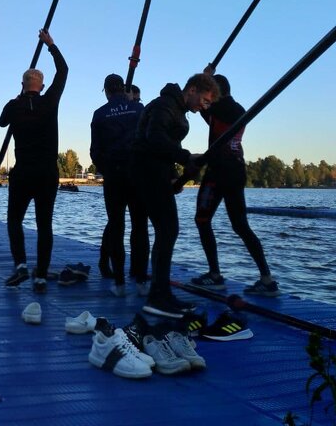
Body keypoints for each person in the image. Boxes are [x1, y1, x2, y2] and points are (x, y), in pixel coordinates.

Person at [133, 73, 220, 318]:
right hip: (146, 173)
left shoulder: (176, 109)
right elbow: (155, 138)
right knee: (168, 230)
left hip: (157, 173)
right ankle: (157, 296)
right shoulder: (164, 105)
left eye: (208, 104)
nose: (204, 106)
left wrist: (173, 175)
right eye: (204, 100)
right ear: (191, 89)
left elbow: (164, 148)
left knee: (167, 231)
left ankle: (161, 293)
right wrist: (185, 158)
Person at [190, 71, 280, 296]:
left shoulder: (219, 108)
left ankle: (215, 275)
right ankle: (267, 279)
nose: (205, 100)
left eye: (208, 95)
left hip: (218, 173)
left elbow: (199, 104)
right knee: (241, 226)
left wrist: (203, 79)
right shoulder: (237, 109)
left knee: (202, 220)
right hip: (237, 172)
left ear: (215, 94)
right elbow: (204, 108)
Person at [0, 29, 68, 293]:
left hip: (23, 173)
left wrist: (17, 97)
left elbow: (2, 122)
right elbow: (63, 71)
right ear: (40, 85)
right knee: (44, 224)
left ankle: (20, 265)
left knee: (14, 220)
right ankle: (40, 275)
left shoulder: (14, 106)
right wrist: (51, 44)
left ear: (22, 84)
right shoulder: (50, 101)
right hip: (47, 173)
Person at [90, 74, 147, 297]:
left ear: (105, 90)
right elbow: (148, 139)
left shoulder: (100, 114)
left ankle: (120, 282)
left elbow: (95, 151)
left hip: (114, 177)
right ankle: (141, 279)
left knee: (116, 226)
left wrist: (108, 167)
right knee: (139, 227)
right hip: (138, 174)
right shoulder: (139, 110)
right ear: (124, 89)